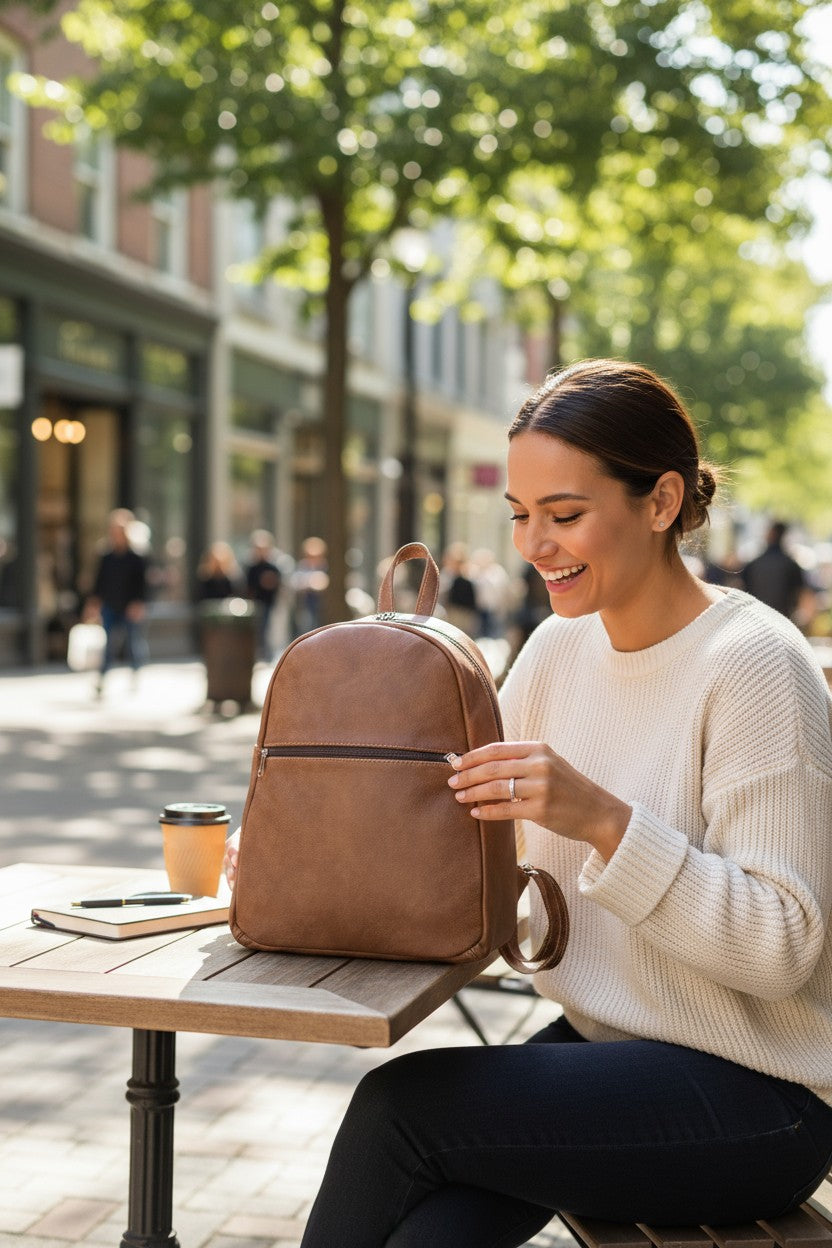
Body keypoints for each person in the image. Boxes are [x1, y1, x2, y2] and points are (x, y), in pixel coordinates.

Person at [225, 359, 832, 1248]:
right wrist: (298, 850)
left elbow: (785, 946)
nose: (533, 544)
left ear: (660, 503)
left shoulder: (753, 665)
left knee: (400, 1107)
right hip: (603, 1046)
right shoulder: (557, 649)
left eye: (565, 515)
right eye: (519, 515)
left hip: (758, 1094)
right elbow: (452, 835)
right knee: (430, 1231)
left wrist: (603, 822)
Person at [86, 508, 148, 696]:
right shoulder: (106, 556)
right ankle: (103, 677)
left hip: (129, 607)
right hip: (110, 605)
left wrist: (138, 604)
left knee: (132, 642)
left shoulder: (137, 557)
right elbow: (99, 581)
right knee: (108, 644)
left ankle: (135, 674)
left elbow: (142, 584)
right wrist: (94, 603)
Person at [741, 520, 807, 621]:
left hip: (757, 617)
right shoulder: (791, 564)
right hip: (784, 618)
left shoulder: (753, 564)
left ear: (770, 534)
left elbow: (742, 589)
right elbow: (800, 593)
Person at [245, 530, 283, 660]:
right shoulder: (252, 567)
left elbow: (278, 585)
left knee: (267, 628)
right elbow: (248, 585)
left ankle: (266, 653)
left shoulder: (273, 567)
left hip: (268, 602)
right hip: (255, 603)